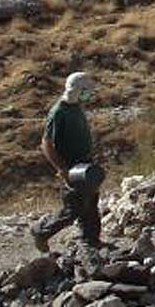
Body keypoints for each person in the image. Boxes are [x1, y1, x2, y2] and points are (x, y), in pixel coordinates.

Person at [32, 72, 104, 252]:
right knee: (73, 207)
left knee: (91, 203)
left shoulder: (76, 107)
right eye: (86, 92)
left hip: (85, 163)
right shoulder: (59, 112)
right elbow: (46, 144)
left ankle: (91, 241)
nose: (89, 96)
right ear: (77, 91)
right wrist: (62, 168)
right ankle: (42, 232)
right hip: (71, 166)